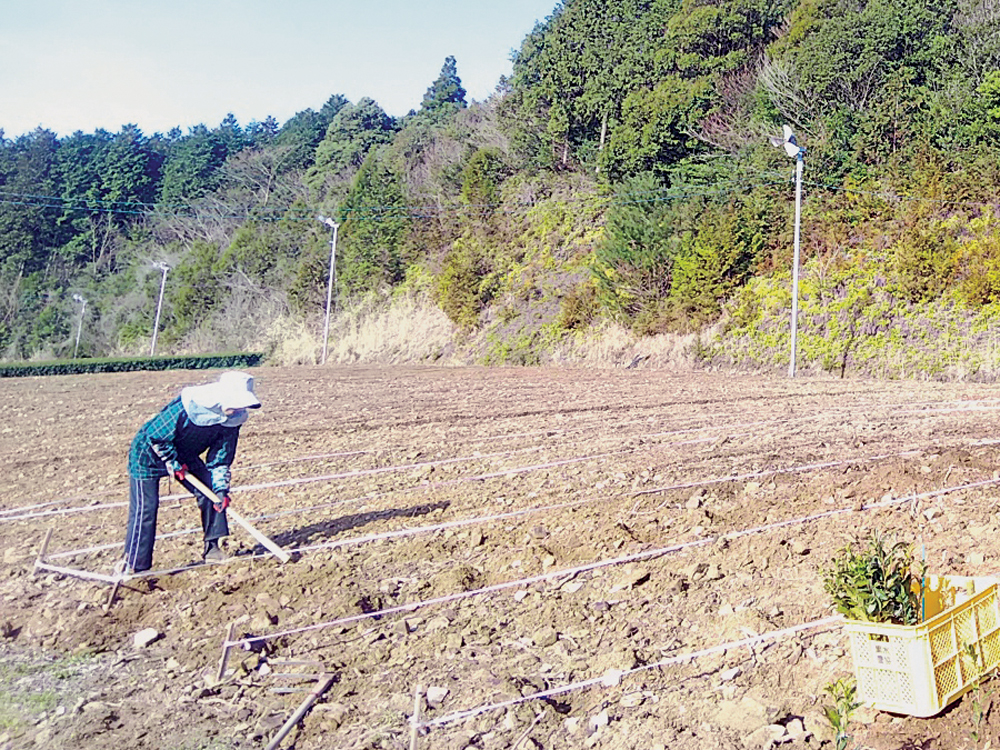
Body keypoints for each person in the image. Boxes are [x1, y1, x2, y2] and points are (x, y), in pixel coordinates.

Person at [121, 370, 261, 573]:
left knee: (211, 493)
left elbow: (220, 459)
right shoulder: (189, 406)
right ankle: (135, 566)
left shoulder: (233, 420)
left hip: (185, 455)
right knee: (146, 508)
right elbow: (155, 435)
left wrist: (221, 489)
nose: (240, 408)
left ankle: (212, 549)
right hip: (149, 453)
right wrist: (173, 463)